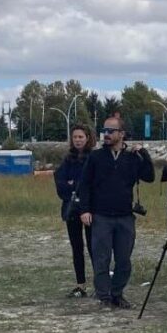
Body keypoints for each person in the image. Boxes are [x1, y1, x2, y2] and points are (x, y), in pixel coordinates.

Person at [78, 116, 155, 309]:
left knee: (123, 260)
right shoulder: (96, 157)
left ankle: (117, 293)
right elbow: (84, 185)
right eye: (104, 130)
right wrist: (85, 209)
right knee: (101, 259)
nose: (106, 134)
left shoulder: (131, 157)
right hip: (101, 216)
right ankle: (104, 296)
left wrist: (144, 154)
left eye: (111, 131)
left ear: (121, 134)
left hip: (125, 216)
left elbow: (149, 177)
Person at [54, 124, 95, 297]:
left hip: (90, 209)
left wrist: (75, 185)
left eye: (81, 137)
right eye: (75, 137)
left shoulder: (93, 158)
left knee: (94, 246)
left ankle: (101, 283)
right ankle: (81, 285)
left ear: (87, 138)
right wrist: (70, 186)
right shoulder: (68, 160)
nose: (78, 140)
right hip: (71, 209)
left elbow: (91, 183)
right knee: (76, 247)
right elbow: (60, 181)